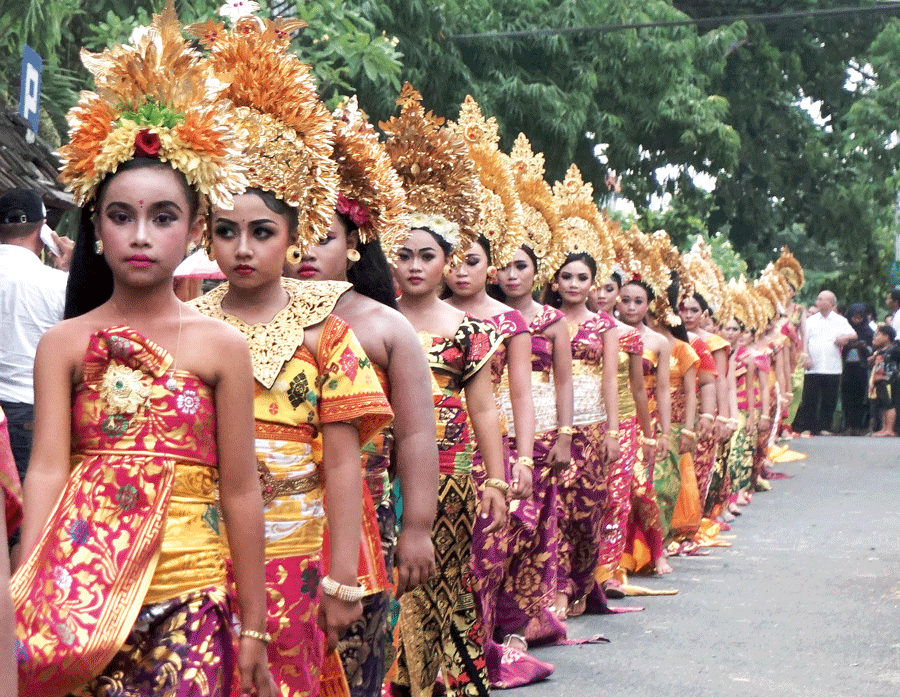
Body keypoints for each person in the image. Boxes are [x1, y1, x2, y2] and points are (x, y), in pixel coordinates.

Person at [12, 6, 275, 695]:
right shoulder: (65, 342)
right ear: (95, 230)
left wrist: (254, 624)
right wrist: (33, 592)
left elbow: (243, 489)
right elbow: (44, 473)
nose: (140, 234)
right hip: (86, 596)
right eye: (120, 216)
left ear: (192, 230)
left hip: (194, 592)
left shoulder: (222, 346)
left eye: (163, 218)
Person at [191, 16, 397, 697]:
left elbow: (344, 462)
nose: (242, 249)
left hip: (298, 554)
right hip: (200, 553)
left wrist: (342, 577)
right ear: (205, 234)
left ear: (293, 236)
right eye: (226, 232)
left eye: (261, 232)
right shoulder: (188, 324)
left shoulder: (325, 334)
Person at [285, 98, 439, 697]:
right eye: (292, 237)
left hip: (364, 521)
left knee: (356, 665)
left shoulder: (383, 327)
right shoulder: (231, 321)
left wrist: (418, 527)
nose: (304, 253)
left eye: (320, 238)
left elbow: (418, 433)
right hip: (265, 517)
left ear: (354, 243)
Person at [382, 83, 507, 697]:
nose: (412, 266)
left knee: (438, 578)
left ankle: (435, 682)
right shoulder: (370, 322)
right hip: (380, 466)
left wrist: (498, 478)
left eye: (426, 256)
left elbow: (484, 408)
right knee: (386, 578)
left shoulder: (473, 333)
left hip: (452, 471)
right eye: (401, 254)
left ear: (446, 262)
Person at [0, 188, 73, 481]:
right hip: (29, 412)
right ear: (44, 231)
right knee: (24, 511)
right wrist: (73, 270)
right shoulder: (59, 285)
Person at [792, 290, 857, 435]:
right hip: (813, 365)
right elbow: (803, 340)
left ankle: (825, 427)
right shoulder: (810, 321)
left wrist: (844, 337)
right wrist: (805, 356)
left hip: (832, 366)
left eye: (822, 299)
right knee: (810, 398)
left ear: (831, 303)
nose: (818, 301)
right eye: (818, 298)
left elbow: (854, 335)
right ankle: (808, 426)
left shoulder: (840, 320)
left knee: (829, 398)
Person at [841, 302, 873, 434]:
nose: (857, 320)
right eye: (855, 317)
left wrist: (863, 347)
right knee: (847, 396)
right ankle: (847, 425)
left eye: (860, 318)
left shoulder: (868, 331)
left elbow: (873, 349)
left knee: (861, 397)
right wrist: (847, 345)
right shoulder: (844, 330)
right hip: (846, 367)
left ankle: (859, 426)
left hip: (862, 368)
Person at [869, 324, 900, 437]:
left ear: (886, 336)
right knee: (883, 405)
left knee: (889, 405)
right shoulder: (880, 351)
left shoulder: (894, 349)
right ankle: (884, 427)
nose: (875, 337)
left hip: (889, 380)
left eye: (878, 335)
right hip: (879, 380)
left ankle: (890, 429)